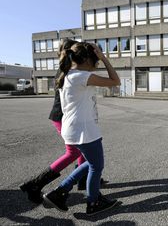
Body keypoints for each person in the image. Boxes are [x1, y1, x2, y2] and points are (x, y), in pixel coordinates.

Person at [19, 39, 105, 204]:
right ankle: (36, 184)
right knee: (74, 153)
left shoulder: (67, 69)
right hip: (63, 117)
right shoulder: (69, 71)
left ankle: (81, 180)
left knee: (80, 152)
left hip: (64, 117)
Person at [42, 42, 120, 215]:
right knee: (96, 166)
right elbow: (116, 81)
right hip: (84, 130)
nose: (97, 63)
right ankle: (93, 202)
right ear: (86, 59)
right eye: (95, 59)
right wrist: (104, 58)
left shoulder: (68, 74)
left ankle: (60, 192)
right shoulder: (81, 76)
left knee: (92, 163)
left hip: (74, 129)